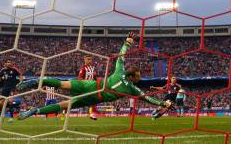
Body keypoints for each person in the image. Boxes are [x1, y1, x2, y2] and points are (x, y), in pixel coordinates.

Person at [16, 32, 172, 120]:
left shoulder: (119, 71)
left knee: (62, 84)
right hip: (95, 97)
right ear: (132, 78)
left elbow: (121, 55)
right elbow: (149, 98)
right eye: (138, 77)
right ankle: (35, 111)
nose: (139, 79)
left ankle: (37, 81)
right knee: (65, 105)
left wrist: (128, 41)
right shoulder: (132, 89)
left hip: (90, 85)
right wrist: (163, 104)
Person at [78, 55, 98, 120]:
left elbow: (95, 78)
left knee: (93, 100)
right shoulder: (83, 68)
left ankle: (92, 114)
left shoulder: (93, 68)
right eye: (88, 59)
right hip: (85, 88)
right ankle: (64, 111)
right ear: (85, 60)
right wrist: (86, 83)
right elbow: (80, 78)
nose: (89, 61)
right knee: (77, 102)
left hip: (92, 88)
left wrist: (97, 83)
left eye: (90, 59)